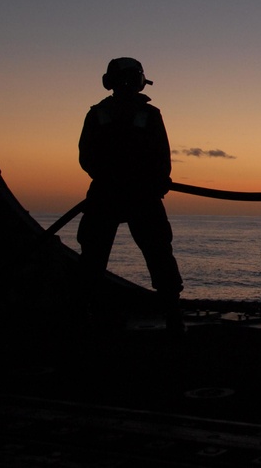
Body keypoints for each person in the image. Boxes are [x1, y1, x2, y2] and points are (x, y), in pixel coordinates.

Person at [77, 57, 184, 333]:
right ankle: (173, 317)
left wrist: (111, 177)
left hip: (110, 193)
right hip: (140, 195)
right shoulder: (149, 115)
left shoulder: (98, 113)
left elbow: (86, 157)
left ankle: (80, 316)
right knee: (158, 253)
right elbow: (162, 156)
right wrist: (155, 182)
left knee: (93, 256)